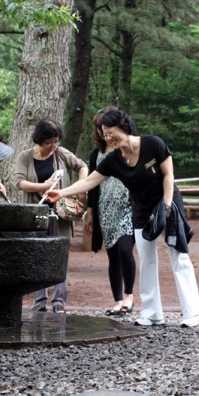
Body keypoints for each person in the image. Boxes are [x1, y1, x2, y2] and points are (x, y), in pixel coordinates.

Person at [44, 108, 199, 328]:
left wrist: (167, 205)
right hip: (142, 210)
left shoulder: (153, 144)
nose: (108, 137)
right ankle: (151, 313)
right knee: (147, 258)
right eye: (105, 134)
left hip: (167, 203)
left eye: (111, 132)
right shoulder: (113, 160)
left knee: (178, 255)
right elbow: (89, 182)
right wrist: (61, 193)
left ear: (124, 126)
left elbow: (169, 175)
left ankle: (192, 313)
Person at [11, 118, 88, 314]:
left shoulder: (61, 154)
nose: (53, 146)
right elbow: (19, 182)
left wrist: (80, 187)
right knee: (38, 255)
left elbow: (82, 166)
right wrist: (43, 186)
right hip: (37, 213)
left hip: (59, 213)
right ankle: (40, 301)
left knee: (60, 255)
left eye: (56, 141)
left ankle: (59, 301)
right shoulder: (25, 157)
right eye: (49, 142)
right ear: (39, 140)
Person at [85, 107, 136, 316]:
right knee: (113, 256)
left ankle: (129, 295)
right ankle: (117, 300)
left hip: (127, 207)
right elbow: (91, 184)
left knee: (125, 249)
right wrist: (90, 212)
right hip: (105, 209)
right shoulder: (96, 154)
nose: (103, 133)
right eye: (100, 128)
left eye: (106, 128)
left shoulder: (124, 148)